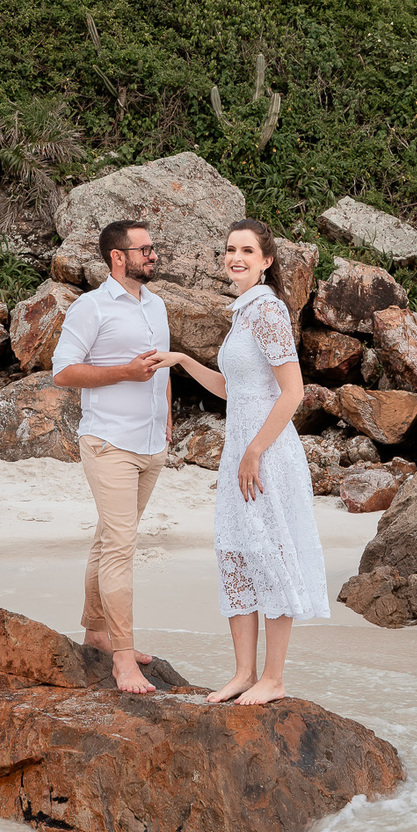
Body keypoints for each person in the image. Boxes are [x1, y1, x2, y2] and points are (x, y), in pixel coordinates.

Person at [152, 218, 329, 704]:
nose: (237, 257)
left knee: (268, 552)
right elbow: (235, 390)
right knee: (235, 552)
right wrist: (184, 362)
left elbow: (293, 392)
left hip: (266, 452)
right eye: (231, 249)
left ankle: (274, 678)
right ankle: (244, 673)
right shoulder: (242, 314)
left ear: (267, 261)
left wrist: (254, 451)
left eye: (248, 251)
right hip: (241, 450)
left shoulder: (268, 312)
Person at [51, 221, 171, 695]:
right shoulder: (91, 306)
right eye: (145, 249)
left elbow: (160, 367)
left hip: (151, 443)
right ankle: (123, 659)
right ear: (118, 257)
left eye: (153, 247)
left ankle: (97, 634)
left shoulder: (157, 305)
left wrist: (167, 414)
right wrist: (123, 372)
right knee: (121, 545)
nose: (153, 255)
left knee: (108, 539)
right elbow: (63, 372)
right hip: (109, 443)